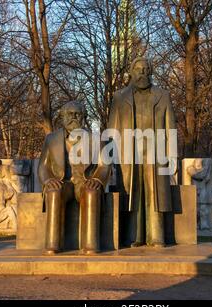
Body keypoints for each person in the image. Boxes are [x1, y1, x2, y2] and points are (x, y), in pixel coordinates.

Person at [107, 57, 177, 248]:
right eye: (139, 70)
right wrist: (109, 157)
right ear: (131, 72)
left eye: (146, 69)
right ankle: (134, 236)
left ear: (151, 72)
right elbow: (112, 129)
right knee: (132, 193)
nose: (143, 73)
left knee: (156, 193)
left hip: (157, 151)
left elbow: (171, 127)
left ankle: (157, 236)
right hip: (128, 152)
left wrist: (172, 154)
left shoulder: (163, 95)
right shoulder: (120, 97)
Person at [38, 101, 109, 254]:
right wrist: (48, 180)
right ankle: (52, 245)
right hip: (63, 183)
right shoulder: (51, 139)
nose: (74, 117)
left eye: (78, 114)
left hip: (85, 182)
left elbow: (104, 166)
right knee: (54, 192)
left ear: (84, 117)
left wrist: (97, 180)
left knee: (91, 192)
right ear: (62, 117)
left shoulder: (97, 139)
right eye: (69, 114)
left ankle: (90, 245)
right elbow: (43, 167)